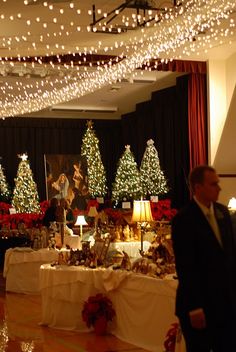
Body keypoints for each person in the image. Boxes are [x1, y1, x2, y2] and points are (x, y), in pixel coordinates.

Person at [171, 165, 236, 352]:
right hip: (199, 306)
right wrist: (194, 307)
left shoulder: (223, 213)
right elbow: (186, 267)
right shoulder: (184, 219)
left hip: (226, 303)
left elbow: (230, 256)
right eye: (213, 184)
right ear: (198, 188)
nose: (219, 188)